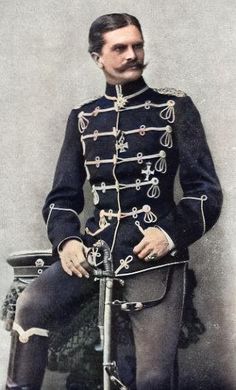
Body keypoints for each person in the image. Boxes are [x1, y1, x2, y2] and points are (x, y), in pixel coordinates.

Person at [6, 13, 223, 390]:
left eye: (137, 45)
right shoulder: (84, 118)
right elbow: (62, 198)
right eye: (119, 48)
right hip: (96, 250)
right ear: (97, 57)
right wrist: (68, 241)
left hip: (152, 255)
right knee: (30, 307)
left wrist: (168, 235)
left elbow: (205, 193)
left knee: (152, 378)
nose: (132, 55)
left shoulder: (173, 109)